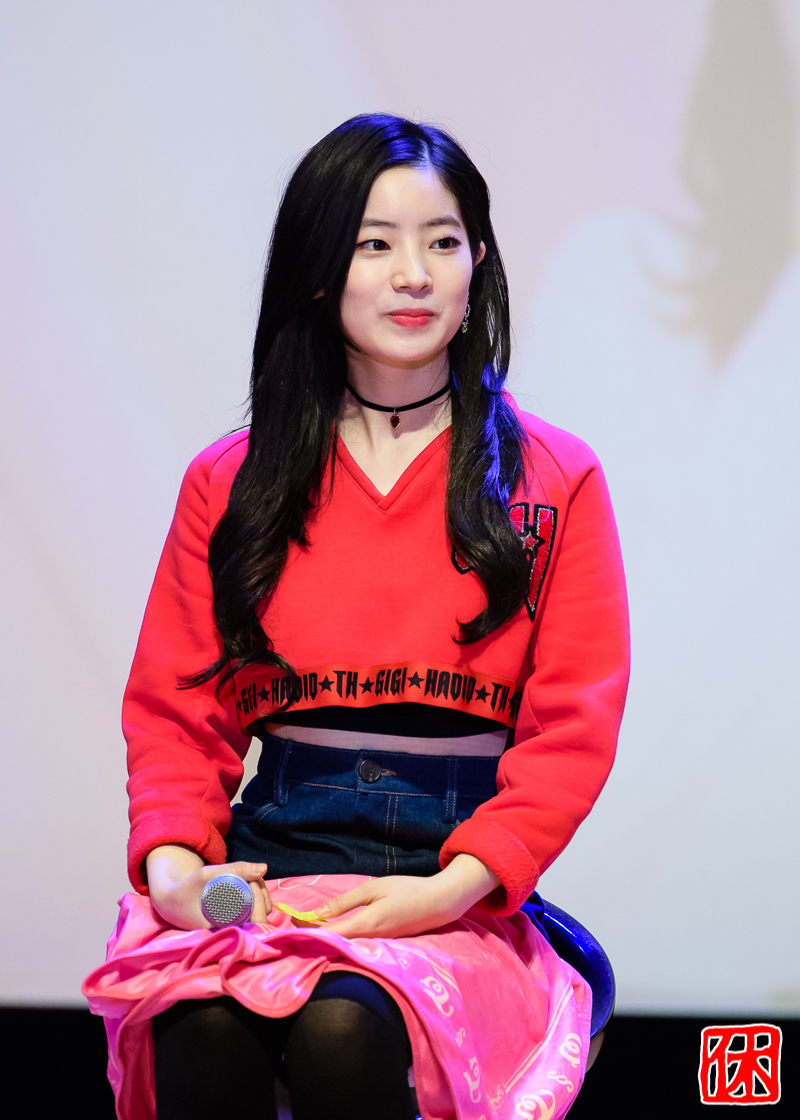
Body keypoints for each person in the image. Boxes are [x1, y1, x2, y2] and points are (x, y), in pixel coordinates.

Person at [83, 114, 629, 1120]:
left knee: (345, 1028)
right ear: (317, 269)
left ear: (477, 264)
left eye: (441, 241)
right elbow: (175, 713)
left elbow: (571, 731)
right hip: (273, 857)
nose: (412, 275)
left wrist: (449, 889)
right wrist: (174, 871)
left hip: (452, 873)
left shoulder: (556, 476)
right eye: (374, 243)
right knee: (197, 1025)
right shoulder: (231, 480)